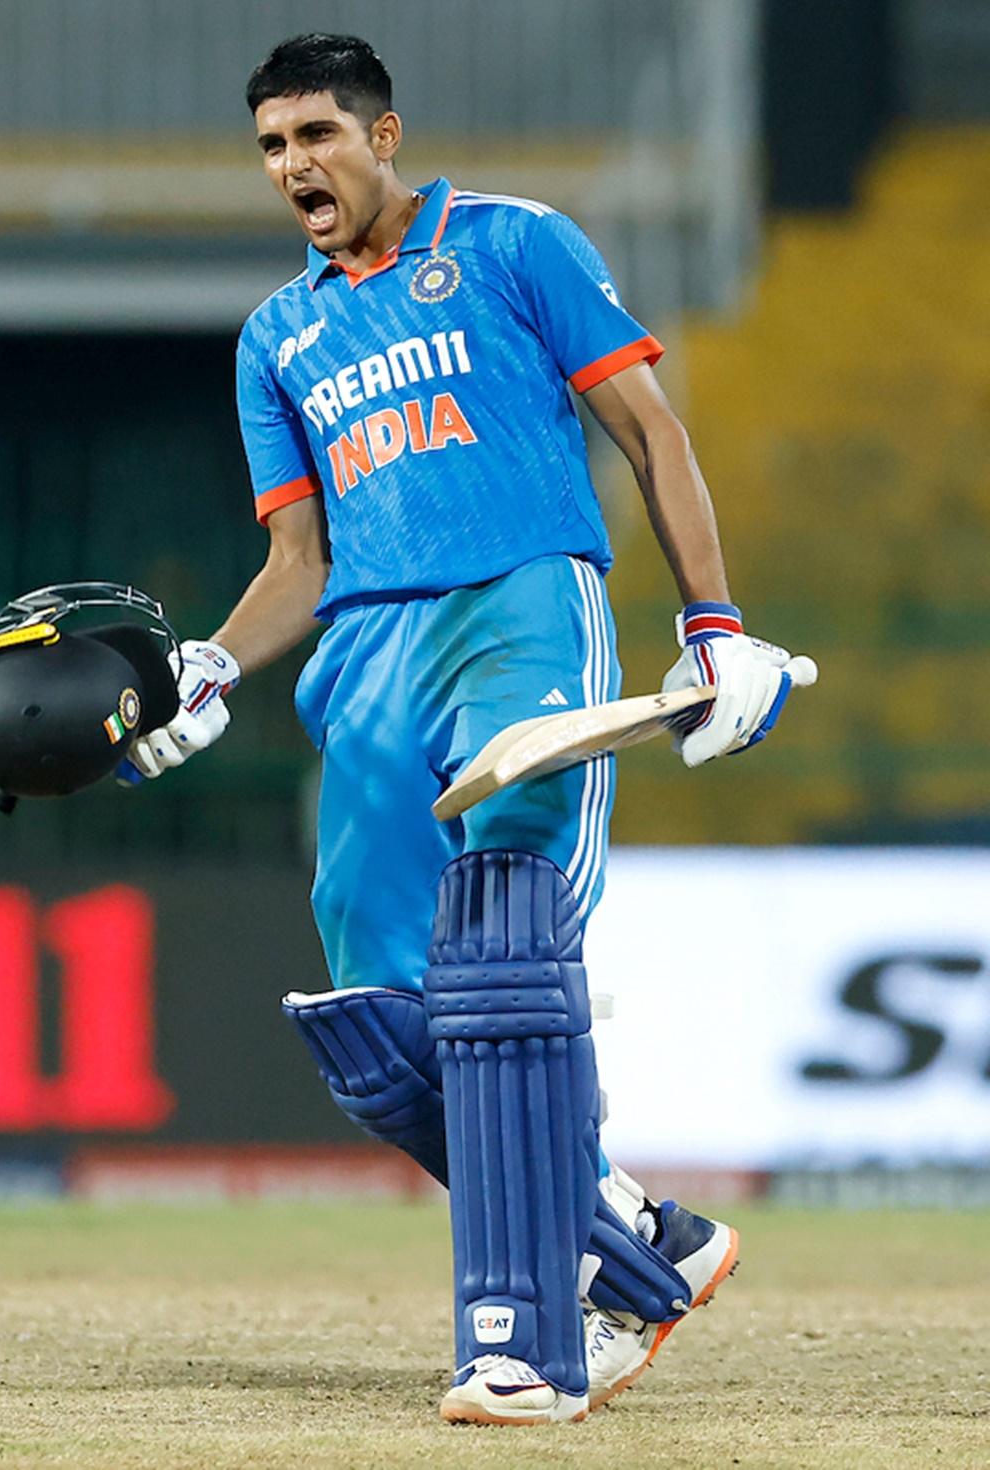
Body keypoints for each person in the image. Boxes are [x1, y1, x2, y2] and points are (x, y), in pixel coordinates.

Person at [123, 34, 806, 1424]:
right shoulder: (279, 335)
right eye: (270, 146)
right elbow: (298, 564)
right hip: (364, 658)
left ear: (384, 134)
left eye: (317, 133)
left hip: (521, 612)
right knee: (379, 1032)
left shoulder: (511, 243)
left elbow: (650, 433)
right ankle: (635, 1239)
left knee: (501, 946)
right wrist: (210, 666)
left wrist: (715, 622)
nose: (294, 166)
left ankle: (520, 1345)